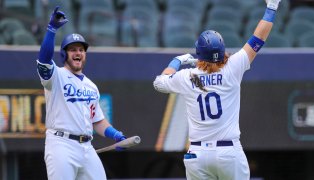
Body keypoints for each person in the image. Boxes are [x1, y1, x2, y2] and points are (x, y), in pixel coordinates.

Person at [153, 0, 281, 179]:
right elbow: (258, 38)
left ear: (199, 53)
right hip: (228, 152)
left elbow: (159, 82)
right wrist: (271, 8)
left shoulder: (187, 76)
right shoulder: (233, 67)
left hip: (197, 154)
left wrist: (176, 62)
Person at [36, 7, 126, 180]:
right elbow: (44, 60)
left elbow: (97, 120)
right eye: (73, 49)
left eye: (81, 50)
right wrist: (51, 30)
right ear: (64, 54)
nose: (78, 53)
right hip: (61, 144)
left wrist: (115, 134)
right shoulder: (56, 76)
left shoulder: (91, 86)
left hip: (87, 147)